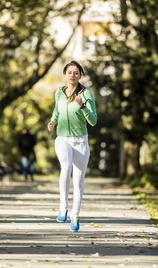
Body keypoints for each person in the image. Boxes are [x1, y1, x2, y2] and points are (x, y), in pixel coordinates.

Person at [47, 60, 97, 232]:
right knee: (66, 168)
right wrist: (53, 121)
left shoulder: (86, 94)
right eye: (70, 72)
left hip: (80, 141)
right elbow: (57, 110)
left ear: (80, 75)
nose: (73, 75)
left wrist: (82, 105)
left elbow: (93, 120)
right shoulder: (59, 93)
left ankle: (75, 215)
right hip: (62, 139)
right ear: (65, 74)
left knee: (79, 180)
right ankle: (63, 207)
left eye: (76, 73)